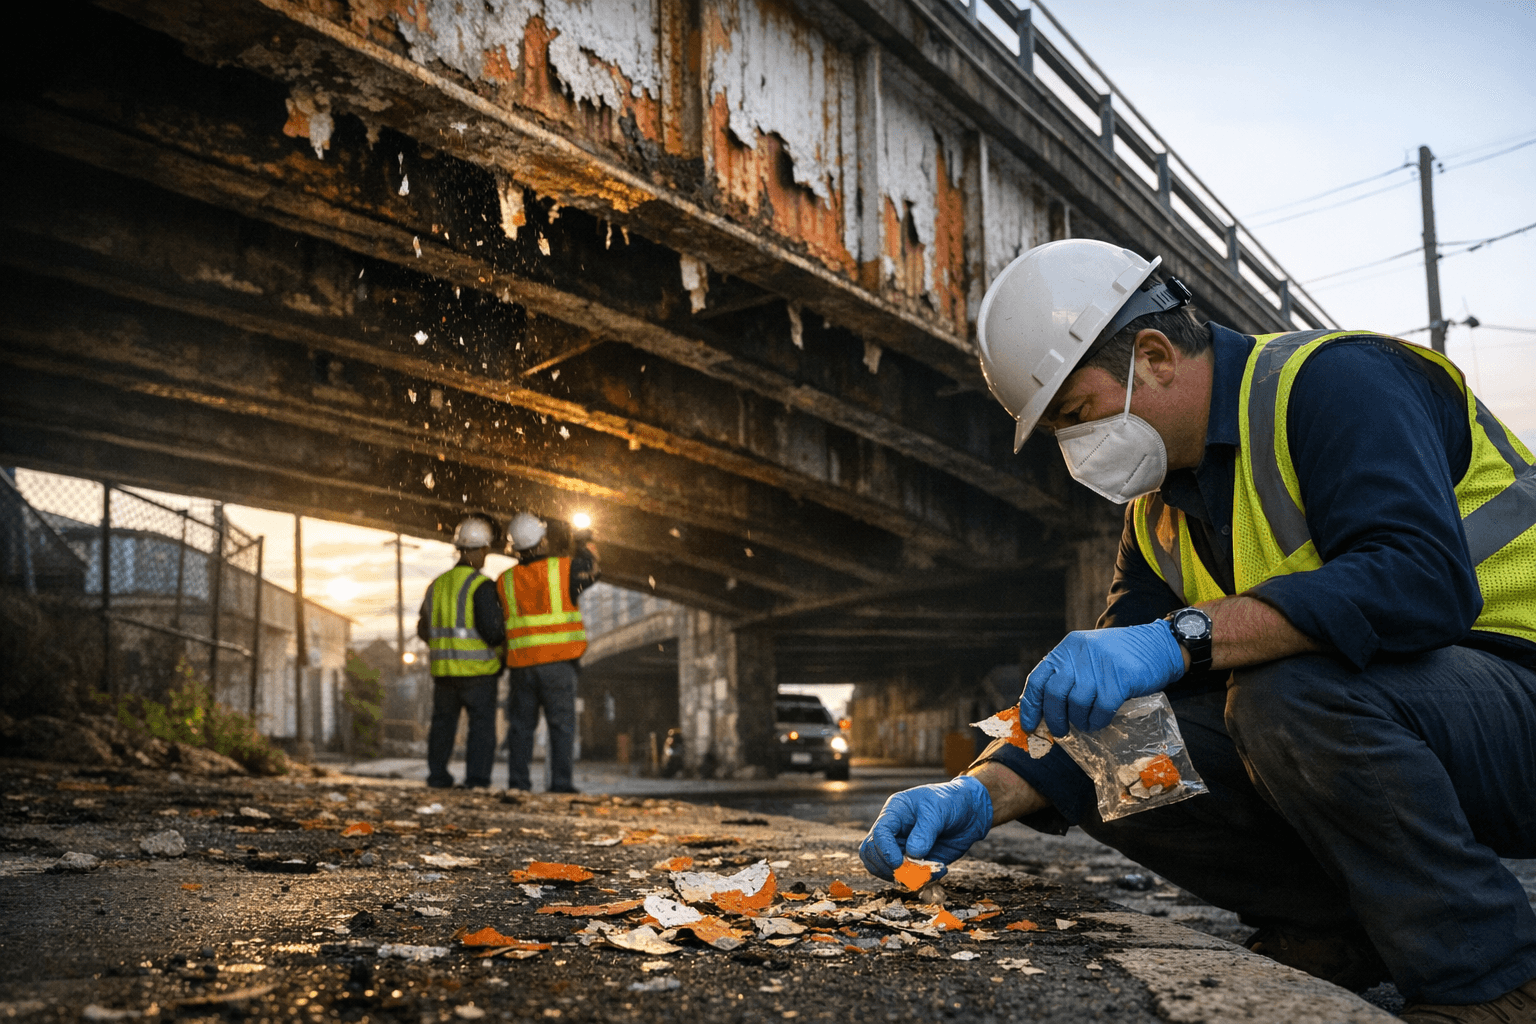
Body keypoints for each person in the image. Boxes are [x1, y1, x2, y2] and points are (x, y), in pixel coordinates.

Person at [860, 239, 1536, 1023]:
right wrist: (976, 790)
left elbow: (1420, 581)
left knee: (1287, 692)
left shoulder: (1337, 384)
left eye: (1076, 415)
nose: (1076, 451)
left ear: (1154, 357)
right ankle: (1340, 930)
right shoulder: (1157, 518)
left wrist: (1179, 637)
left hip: (1515, 698)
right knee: (1115, 742)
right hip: (1406, 723)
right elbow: (1098, 716)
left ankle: (1491, 979)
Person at [498, 512, 600, 794]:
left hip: (522, 666)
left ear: (515, 548)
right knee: (562, 727)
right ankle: (561, 784)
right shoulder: (564, 569)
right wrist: (584, 539)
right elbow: (592, 569)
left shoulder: (505, 581)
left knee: (520, 728)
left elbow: (500, 623)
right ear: (542, 542)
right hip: (558, 664)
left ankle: (518, 784)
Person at [416, 514, 505, 789]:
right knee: (481, 728)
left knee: (443, 725)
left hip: (444, 673)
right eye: (485, 551)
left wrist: (446, 647)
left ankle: (438, 776)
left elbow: (423, 629)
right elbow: (494, 632)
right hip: (479, 673)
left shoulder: (436, 585)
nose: (486, 556)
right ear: (479, 550)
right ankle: (476, 780)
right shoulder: (482, 585)